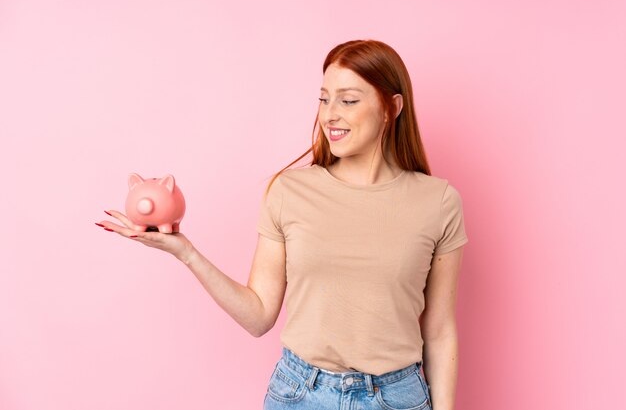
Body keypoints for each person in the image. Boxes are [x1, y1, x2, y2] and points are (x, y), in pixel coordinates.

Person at [97, 39, 468, 410]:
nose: (330, 115)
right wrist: (186, 252)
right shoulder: (290, 191)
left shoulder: (438, 202)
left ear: (392, 107)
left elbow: (438, 331)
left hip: (397, 397)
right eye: (324, 99)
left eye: (348, 100)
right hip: (301, 394)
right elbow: (258, 316)